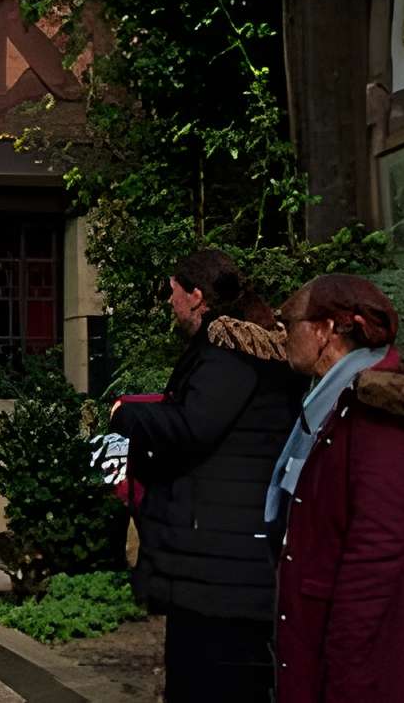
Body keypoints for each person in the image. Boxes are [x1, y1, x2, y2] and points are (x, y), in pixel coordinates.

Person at [266, 274, 404, 703]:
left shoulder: (378, 410)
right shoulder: (338, 404)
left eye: (290, 322)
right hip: (345, 658)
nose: (281, 334)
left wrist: (344, 672)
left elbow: (375, 550)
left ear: (327, 330)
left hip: (380, 670)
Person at [110, 248, 299, 701]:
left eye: (174, 293)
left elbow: (195, 426)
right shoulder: (246, 347)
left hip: (219, 560)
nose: (170, 303)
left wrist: (125, 415)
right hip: (226, 554)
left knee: (211, 678)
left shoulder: (227, 350)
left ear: (196, 296)